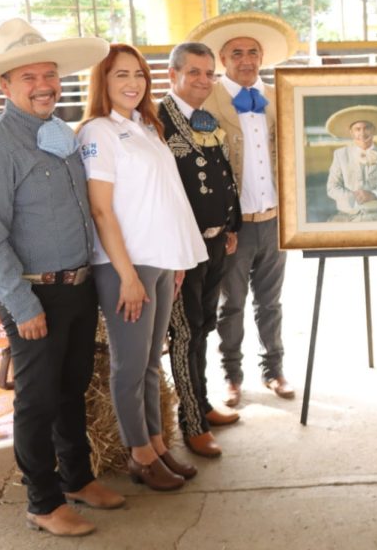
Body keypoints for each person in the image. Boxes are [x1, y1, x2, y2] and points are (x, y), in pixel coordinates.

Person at [0, 17, 124, 536]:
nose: (45, 84)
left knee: (71, 388)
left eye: (50, 74)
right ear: (4, 85)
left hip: (76, 284)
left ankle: (77, 478)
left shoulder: (61, 134)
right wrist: (23, 306)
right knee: (38, 399)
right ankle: (43, 503)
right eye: (29, 77)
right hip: (34, 292)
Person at [77, 43, 207, 491]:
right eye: (120, 75)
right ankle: (138, 454)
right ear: (102, 82)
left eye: (138, 74)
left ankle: (156, 442)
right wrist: (127, 275)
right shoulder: (98, 132)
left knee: (152, 363)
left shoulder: (146, 128)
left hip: (158, 259)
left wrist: (176, 257)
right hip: (124, 266)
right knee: (129, 366)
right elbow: (102, 211)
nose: (133, 83)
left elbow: (163, 199)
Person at [186, 12, 299, 405]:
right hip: (235, 225)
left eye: (253, 52)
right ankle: (232, 375)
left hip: (275, 219)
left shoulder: (279, 98)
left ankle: (275, 369)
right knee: (230, 303)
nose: (246, 60)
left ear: (262, 56)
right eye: (237, 53)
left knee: (271, 301)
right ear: (223, 58)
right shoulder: (209, 101)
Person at [159, 42, 242, 459]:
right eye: (194, 72)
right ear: (172, 75)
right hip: (181, 250)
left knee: (204, 326)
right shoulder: (158, 120)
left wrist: (232, 224)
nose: (203, 81)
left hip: (215, 242)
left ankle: (203, 404)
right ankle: (190, 422)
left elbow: (225, 171)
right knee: (185, 333)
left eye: (209, 73)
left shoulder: (206, 117)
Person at [325, 105, 377, 221]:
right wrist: (353, 196)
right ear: (351, 132)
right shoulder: (340, 155)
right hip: (347, 217)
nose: (362, 133)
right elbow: (331, 187)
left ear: (373, 129)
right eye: (357, 129)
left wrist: (374, 194)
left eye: (366, 128)